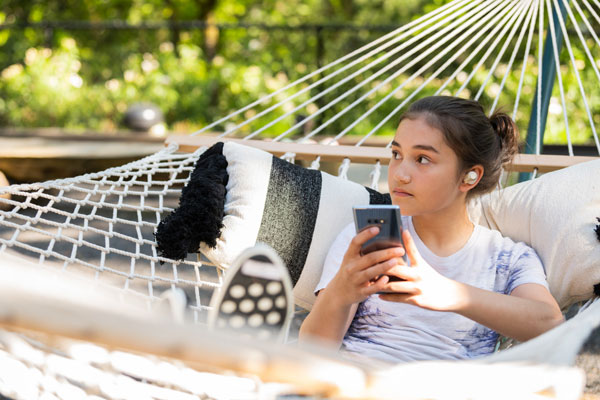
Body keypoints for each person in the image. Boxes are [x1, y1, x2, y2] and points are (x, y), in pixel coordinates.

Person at [298, 96, 564, 363]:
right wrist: (340, 293)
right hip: (353, 380)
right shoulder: (366, 239)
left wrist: (448, 293)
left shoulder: (507, 259)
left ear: (470, 176)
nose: (400, 174)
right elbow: (311, 350)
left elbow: (551, 323)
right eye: (396, 154)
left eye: (422, 159)